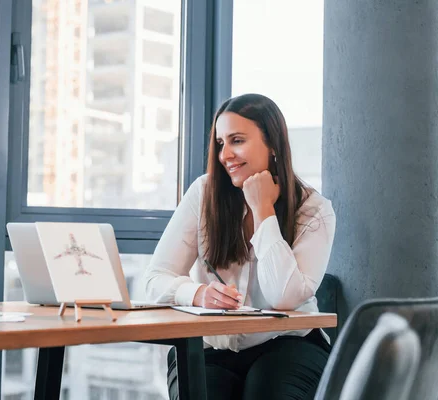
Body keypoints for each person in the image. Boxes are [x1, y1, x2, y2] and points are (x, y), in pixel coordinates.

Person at [143, 93, 336, 400]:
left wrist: (263, 210)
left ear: (272, 143)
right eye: (221, 143)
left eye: (237, 140)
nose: (225, 154)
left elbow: (284, 297)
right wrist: (197, 293)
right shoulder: (203, 194)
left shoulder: (312, 209)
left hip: (289, 344)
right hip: (212, 347)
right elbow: (154, 280)